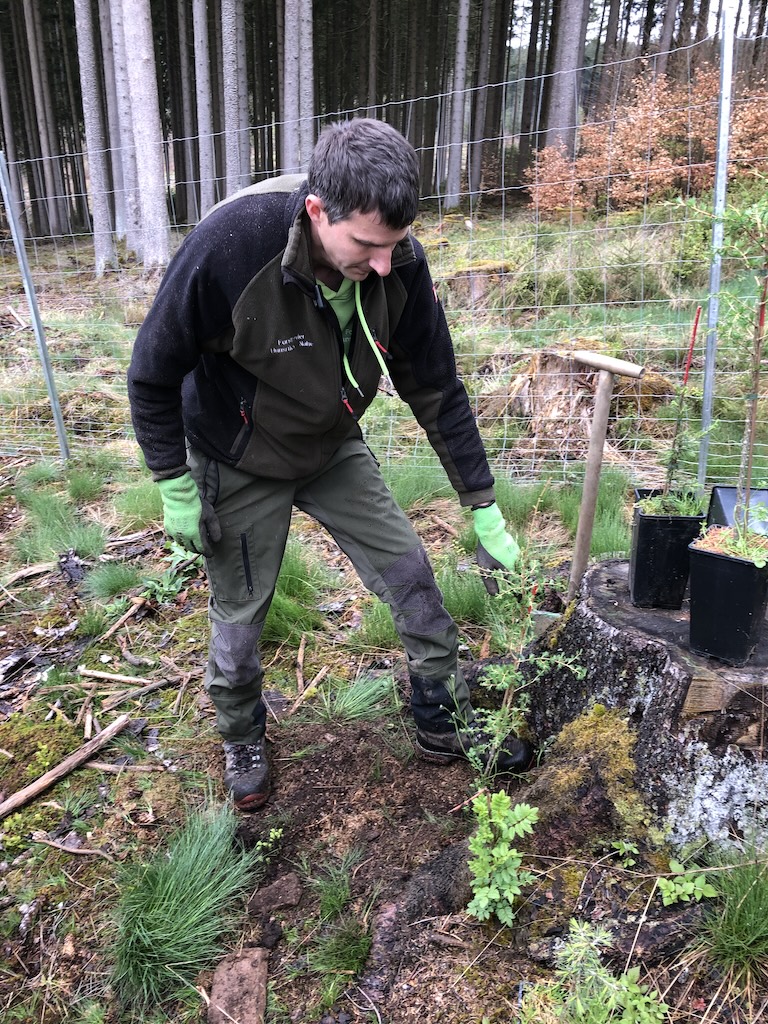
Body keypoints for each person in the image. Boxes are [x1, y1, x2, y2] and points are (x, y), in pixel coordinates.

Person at [127, 118, 532, 811]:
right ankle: (242, 735)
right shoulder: (233, 248)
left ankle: (442, 716)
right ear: (317, 211)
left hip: (330, 445)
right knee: (240, 618)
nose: (385, 263)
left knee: (410, 573)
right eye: (367, 246)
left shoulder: (398, 262)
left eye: (394, 244)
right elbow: (150, 373)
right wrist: (174, 484)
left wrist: (483, 505)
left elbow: (435, 386)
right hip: (238, 455)